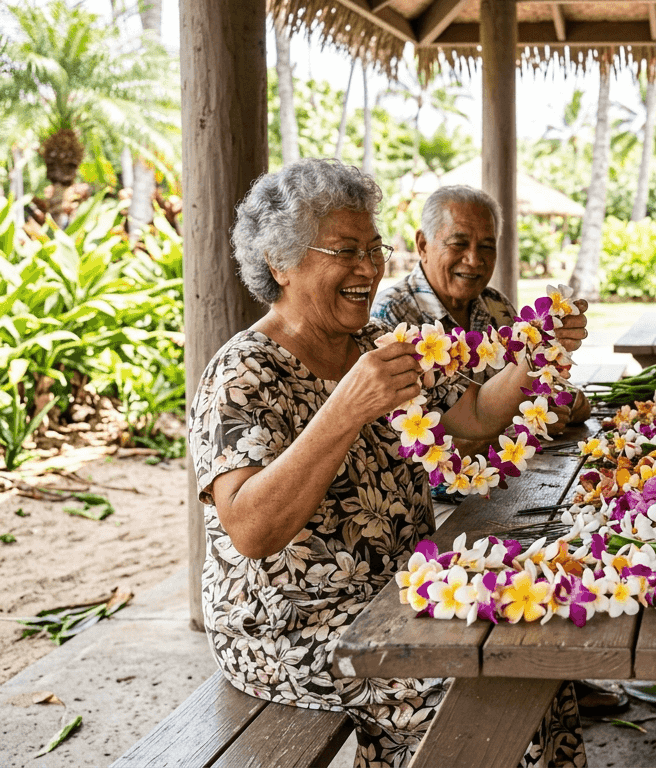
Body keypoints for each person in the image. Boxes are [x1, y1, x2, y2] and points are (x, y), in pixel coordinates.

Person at [189, 159, 591, 768]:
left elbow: (476, 418)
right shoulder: (244, 373)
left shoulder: (378, 342)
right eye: (345, 250)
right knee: (491, 693)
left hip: (400, 595)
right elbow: (251, 529)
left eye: (374, 249)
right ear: (281, 263)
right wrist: (344, 411)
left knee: (539, 672)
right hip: (296, 630)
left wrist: (537, 354)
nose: (370, 268)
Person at [373, 185, 591, 435]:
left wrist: (558, 405)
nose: (474, 259)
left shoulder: (496, 305)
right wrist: (523, 423)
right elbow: (404, 433)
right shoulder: (391, 319)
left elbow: (542, 387)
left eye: (487, 246)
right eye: (458, 244)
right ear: (423, 245)